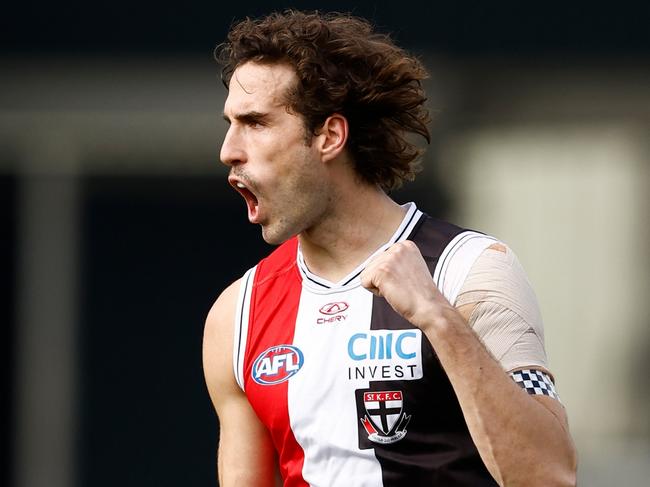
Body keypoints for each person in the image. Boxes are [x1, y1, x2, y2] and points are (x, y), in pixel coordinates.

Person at [202, 10, 577, 487]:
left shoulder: (471, 271)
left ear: (330, 136)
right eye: (230, 123)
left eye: (255, 123)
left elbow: (549, 475)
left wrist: (438, 319)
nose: (228, 149)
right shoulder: (237, 313)